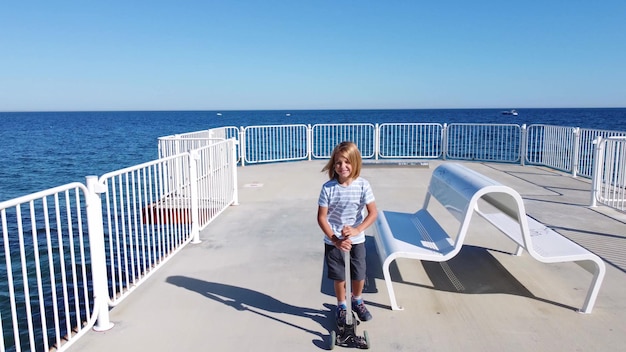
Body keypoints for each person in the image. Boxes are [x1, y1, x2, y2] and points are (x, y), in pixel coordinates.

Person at [317, 141, 378, 325]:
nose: (342, 167)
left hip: (356, 239)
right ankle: (342, 305)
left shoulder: (363, 185)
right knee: (339, 277)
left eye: (347, 162)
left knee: (359, 274)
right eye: (338, 163)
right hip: (334, 240)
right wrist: (335, 240)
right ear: (333, 165)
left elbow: (373, 212)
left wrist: (357, 229)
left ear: (355, 162)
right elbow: (321, 217)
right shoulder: (328, 188)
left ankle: (357, 299)